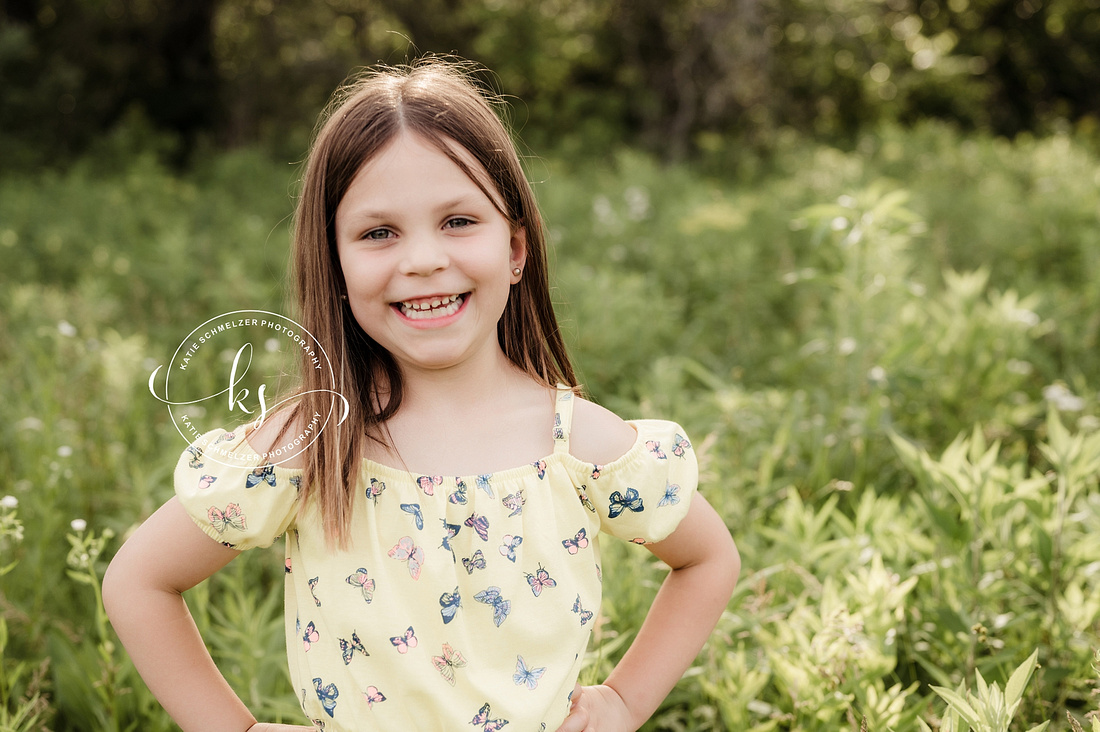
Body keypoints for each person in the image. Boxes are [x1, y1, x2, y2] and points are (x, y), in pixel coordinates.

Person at [103, 57, 740, 732]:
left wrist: (624, 699)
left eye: (459, 221)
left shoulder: (577, 444)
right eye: (379, 233)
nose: (423, 260)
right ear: (336, 263)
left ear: (516, 248)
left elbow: (707, 558)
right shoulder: (314, 443)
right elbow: (138, 583)